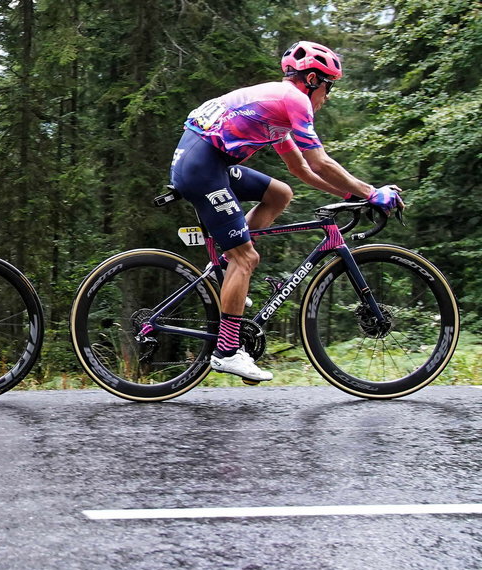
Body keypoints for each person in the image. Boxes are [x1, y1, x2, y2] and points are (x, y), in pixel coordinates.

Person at [169, 41, 403, 382]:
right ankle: (227, 351)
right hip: (201, 168)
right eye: (328, 87)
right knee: (246, 259)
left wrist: (354, 195)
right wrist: (372, 191)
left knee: (279, 194)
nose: (327, 96)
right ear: (312, 80)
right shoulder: (293, 101)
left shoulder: (277, 109)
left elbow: (303, 170)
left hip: (207, 162)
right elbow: (320, 161)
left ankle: (222, 266)